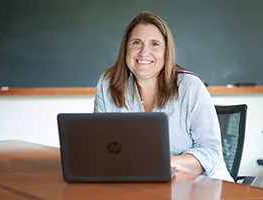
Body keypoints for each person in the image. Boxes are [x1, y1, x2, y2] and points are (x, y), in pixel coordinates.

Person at [93, 11, 233, 182]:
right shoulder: (107, 84)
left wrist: (162, 165)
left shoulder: (191, 87)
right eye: (136, 43)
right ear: (125, 49)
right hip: (139, 184)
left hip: (201, 186)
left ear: (167, 51)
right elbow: (103, 146)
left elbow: (210, 152)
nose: (144, 52)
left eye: (155, 44)